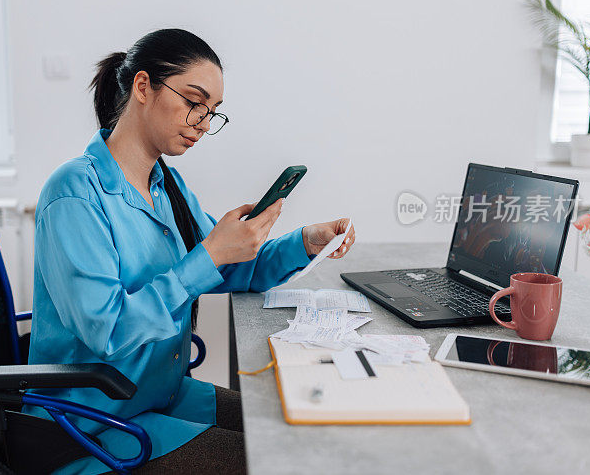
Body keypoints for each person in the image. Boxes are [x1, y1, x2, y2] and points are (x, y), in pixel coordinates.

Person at [23, 28, 356, 474]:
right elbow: (108, 330)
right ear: (143, 86)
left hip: (160, 394)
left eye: (213, 111)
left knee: (295, 429)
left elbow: (230, 267)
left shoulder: (167, 185)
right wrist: (210, 255)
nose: (202, 120)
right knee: (275, 460)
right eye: (193, 101)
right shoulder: (74, 194)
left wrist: (304, 242)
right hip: (92, 426)